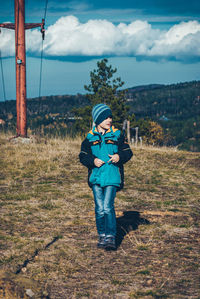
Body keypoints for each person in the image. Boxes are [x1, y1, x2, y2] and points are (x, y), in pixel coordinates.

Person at [79, 103, 133, 250]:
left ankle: (110, 236)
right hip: (96, 178)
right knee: (99, 208)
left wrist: (118, 156)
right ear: (97, 120)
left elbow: (128, 152)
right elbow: (83, 156)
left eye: (110, 117)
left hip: (112, 177)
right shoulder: (89, 138)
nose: (109, 120)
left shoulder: (117, 135)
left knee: (108, 207)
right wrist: (93, 161)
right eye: (105, 118)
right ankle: (102, 235)